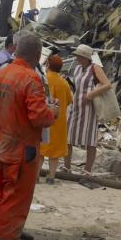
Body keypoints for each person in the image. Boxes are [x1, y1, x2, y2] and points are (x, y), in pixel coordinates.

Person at [0, 33, 57, 240]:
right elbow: (38, 117)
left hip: (1, 145)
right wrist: (53, 113)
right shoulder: (30, 79)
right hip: (21, 151)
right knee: (15, 200)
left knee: (2, 196)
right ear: (38, 55)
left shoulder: (2, 72)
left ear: (16, 50)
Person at [65, 44, 112, 175]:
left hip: (89, 109)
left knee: (90, 139)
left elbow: (107, 85)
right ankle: (66, 167)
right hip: (75, 106)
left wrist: (91, 95)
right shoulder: (77, 68)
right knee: (68, 137)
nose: (76, 58)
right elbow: (75, 86)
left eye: (78, 56)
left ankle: (87, 170)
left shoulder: (95, 68)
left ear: (85, 57)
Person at [38, 55, 71, 184]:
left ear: (47, 66)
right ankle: (51, 177)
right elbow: (69, 100)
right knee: (55, 152)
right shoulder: (64, 83)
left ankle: (36, 176)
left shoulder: (43, 80)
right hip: (59, 121)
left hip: (43, 120)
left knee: (40, 150)